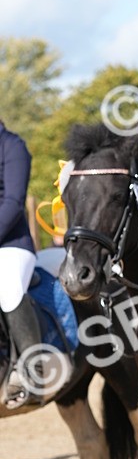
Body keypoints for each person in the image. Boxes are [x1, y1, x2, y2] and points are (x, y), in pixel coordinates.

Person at [0, 119, 44, 408]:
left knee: (8, 287)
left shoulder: (13, 146)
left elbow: (14, 203)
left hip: (11, 245)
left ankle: (32, 372)